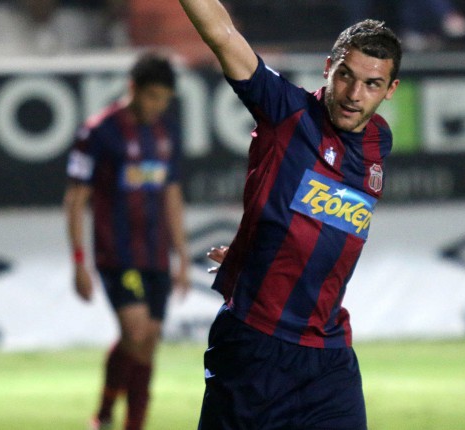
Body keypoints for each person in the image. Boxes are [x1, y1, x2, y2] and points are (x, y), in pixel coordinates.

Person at [179, 0, 401, 428]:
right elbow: (223, 35)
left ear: (390, 90)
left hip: (328, 355)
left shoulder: (379, 142)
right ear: (328, 68)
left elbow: (316, 222)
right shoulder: (287, 111)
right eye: (346, 76)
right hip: (255, 346)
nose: (354, 95)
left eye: (372, 84)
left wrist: (254, 253)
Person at [64, 52, 190, 430]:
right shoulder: (98, 132)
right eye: (152, 96)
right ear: (132, 88)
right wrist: (78, 261)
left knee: (146, 341)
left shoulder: (167, 133)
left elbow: (171, 195)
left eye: (164, 99)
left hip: (156, 253)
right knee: (137, 333)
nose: (157, 106)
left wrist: (183, 257)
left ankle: (108, 415)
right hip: (116, 253)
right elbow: (76, 199)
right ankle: (126, 421)